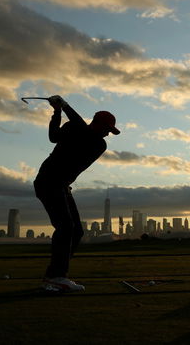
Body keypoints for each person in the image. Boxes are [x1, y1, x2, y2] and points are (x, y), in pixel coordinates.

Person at [34, 95, 120, 292]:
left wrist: (65, 106)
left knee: (76, 231)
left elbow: (83, 130)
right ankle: (56, 276)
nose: (107, 134)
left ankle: (54, 274)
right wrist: (57, 112)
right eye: (106, 129)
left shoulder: (98, 144)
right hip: (48, 182)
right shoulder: (75, 128)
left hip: (60, 185)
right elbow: (53, 137)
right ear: (96, 123)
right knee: (65, 228)